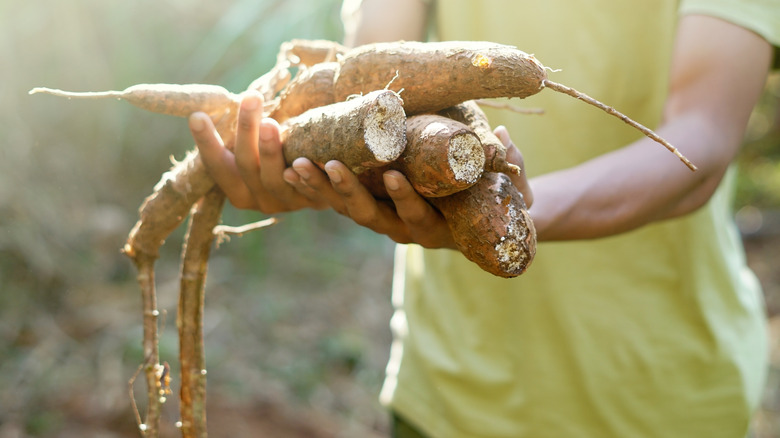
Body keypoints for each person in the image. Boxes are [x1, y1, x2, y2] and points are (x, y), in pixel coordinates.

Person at [187, 0, 780, 436]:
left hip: (665, 398)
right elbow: (366, 78)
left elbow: (699, 141)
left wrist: (512, 211)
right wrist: (309, 165)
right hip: (451, 393)